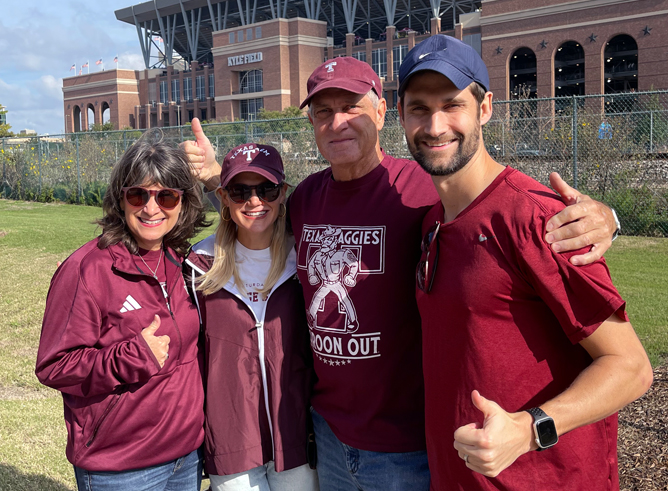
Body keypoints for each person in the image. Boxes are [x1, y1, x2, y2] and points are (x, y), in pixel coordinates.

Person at [182, 55, 618, 489]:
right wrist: (216, 179)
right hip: (328, 434)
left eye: (351, 106)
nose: (338, 123)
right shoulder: (306, 198)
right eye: (324, 112)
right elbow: (257, 208)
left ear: (381, 110)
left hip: (404, 447)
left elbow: (495, 202)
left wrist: (605, 218)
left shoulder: (424, 188)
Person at [398, 35, 653, 490]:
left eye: (452, 104)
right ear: (400, 116)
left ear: (486, 107)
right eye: (419, 108)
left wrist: (530, 428)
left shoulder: (536, 218)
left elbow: (631, 366)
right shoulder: (432, 223)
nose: (435, 125)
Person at [35, 130, 209, 490]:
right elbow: (55, 366)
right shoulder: (87, 269)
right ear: (120, 198)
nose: (150, 207)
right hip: (123, 469)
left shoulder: (183, 261)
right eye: (137, 194)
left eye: (167, 196)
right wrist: (132, 356)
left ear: (183, 202)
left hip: (187, 458)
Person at [184, 143, 319, 491]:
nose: (254, 201)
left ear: (283, 193)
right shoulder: (198, 264)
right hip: (231, 444)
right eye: (240, 191)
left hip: (296, 441)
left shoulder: (305, 256)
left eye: (266, 189)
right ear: (224, 197)